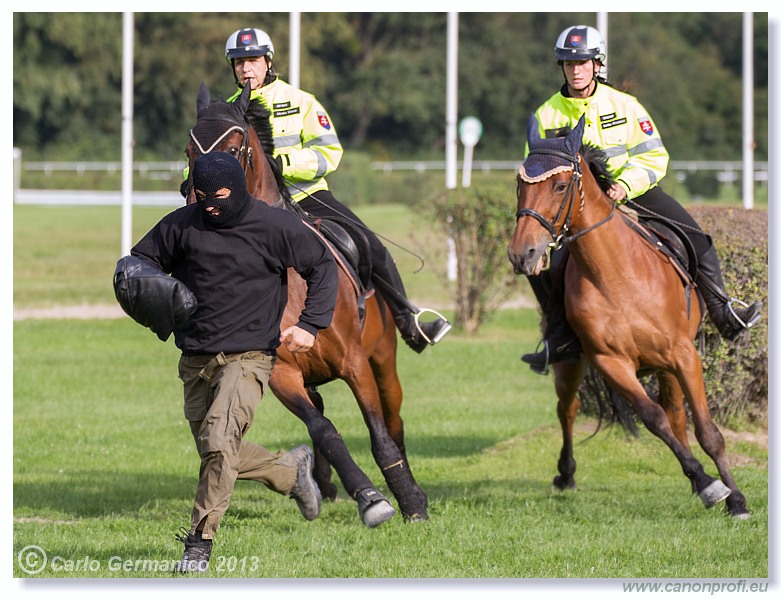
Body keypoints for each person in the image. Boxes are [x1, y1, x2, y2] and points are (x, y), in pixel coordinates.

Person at [125, 152, 339, 573]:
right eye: (202, 196)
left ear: (238, 189)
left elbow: (321, 264)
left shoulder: (275, 226)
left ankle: (198, 545)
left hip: (249, 355)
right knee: (216, 450)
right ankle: (289, 471)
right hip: (195, 358)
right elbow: (140, 264)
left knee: (219, 444)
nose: (210, 204)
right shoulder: (181, 224)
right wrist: (150, 296)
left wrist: (311, 325)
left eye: (220, 195)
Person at [520, 24, 762, 374]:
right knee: (541, 265)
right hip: (572, 207)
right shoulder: (546, 115)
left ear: (597, 65)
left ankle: (725, 312)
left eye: (583, 63)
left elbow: (654, 157)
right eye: (569, 64)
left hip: (634, 193)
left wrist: (624, 186)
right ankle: (559, 338)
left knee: (696, 238)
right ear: (562, 67)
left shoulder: (626, 106)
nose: (576, 70)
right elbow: (535, 170)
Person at [222, 27, 451, 353]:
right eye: (239, 62)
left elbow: (329, 153)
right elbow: (206, 157)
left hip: (307, 196)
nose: (246, 69)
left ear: (268, 61)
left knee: (369, 243)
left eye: (253, 60)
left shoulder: (301, 101)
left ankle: (409, 321)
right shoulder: (226, 111)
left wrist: (283, 165)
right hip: (251, 208)